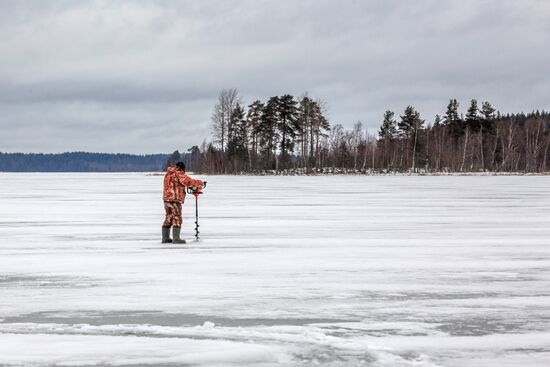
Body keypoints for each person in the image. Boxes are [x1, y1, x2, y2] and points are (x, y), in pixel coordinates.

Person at [162, 161, 203, 244]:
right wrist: (200, 183)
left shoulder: (168, 174)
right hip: (175, 199)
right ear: (181, 168)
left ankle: (165, 238)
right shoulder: (178, 173)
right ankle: (176, 239)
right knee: (177, 217)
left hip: (167, 199)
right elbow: (188, 181)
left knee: (168, 217)